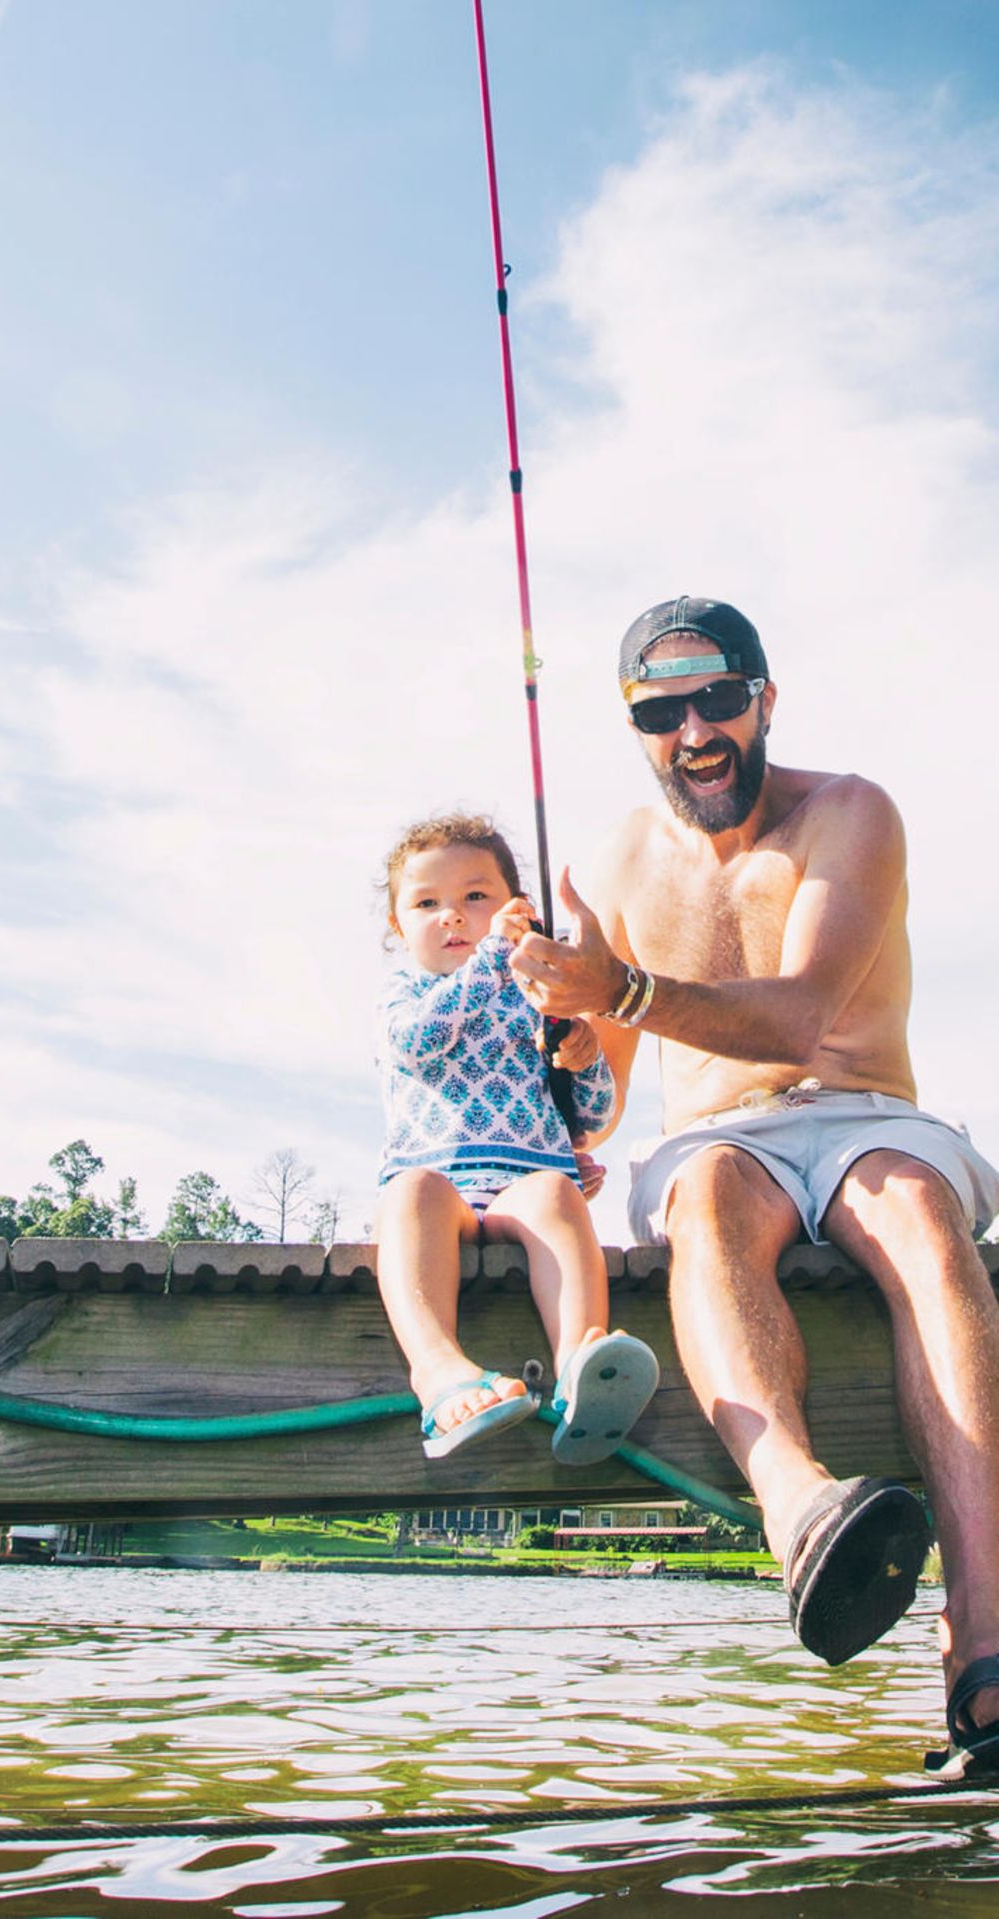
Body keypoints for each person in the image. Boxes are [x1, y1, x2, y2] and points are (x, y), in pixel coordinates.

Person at [505, 596, 999, 1776]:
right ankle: (802, 1510)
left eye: (719, 698)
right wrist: (563, 1046)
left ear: (764, 699)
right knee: (710, 1191)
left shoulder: (851, 813)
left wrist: (616, 989)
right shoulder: (613, 860)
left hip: (869, 1111)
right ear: (635, 726)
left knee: (925, 1215)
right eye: (661, 711)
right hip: (719, 1141)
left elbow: (802, 1009)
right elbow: (607, 1091)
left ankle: (983, 1642)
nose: (696, 731)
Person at [374, 812, 658, 1462]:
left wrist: (583, 1054)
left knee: (558, 1193)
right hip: (439, 1184)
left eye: (475, 897)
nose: (451, 916)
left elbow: (587, 1115)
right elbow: (418, 1046)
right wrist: (489, 960)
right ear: (398, 925)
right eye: (426, 903)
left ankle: (582, 1366)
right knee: (408, 1194)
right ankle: (438, 1372)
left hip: (521, 1184)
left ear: (514, 907)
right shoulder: (403, 993)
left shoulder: (542, 994)